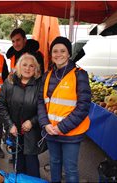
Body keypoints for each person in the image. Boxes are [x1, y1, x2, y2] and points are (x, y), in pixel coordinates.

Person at [38, 36, 91, 182]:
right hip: (51, 131)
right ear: (51, 54)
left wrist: (62, 127)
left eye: (63, 50)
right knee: (54, 164)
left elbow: (84, 106)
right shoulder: (47, 75)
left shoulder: (79, 74)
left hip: (71, 133)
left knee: (70, 169)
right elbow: (40, 102)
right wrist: (45, 124)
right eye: (55, 51)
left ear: (69, 54)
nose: (58, 54)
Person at [0, 53, 46, 177]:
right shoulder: (9, 82)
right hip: (15, 132)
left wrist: (32, 121)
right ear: (18, 66)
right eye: (24, 65)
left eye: (31, 66)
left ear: (36, 69)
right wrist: (10, 125)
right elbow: (2, 105)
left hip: (32, 132)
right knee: (18, 165)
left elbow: (45, 107)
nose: (27, 68)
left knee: (32, 165)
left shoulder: (40, 84)